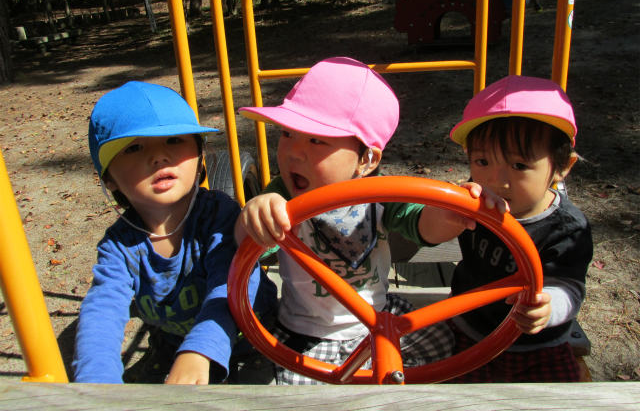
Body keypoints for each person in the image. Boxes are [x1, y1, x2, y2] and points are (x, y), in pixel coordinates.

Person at [234, 57, 505, 385]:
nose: (293, 152)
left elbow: (424, 226)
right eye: (287, 133)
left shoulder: (380, 194)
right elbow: (247, 243)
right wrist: (257, 213)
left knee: (443, 343)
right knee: (303, 391)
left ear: (367, 160)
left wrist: (452, 215)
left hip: (378, 319)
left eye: (316, 140)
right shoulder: (282, 196)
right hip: (306, 332)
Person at [73, 81, 277, 384]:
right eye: (134, 147)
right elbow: (102, 311)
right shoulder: (119, 246)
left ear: (199, 154)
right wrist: (95, 380)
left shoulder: (218, 216)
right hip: (174, 345)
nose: (158, 156)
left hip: (254, 337)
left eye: (173, 140)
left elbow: (231, 285)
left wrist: (199, 350)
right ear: (109, 178)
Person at [447, 75, 593, 382]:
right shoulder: (475, 201)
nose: (496, 181)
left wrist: (549, 308)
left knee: (563, 397)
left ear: (562, 167)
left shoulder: (566, 227)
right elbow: (432, 229)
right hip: (469, 330)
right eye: (482, 161)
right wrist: (451, 211)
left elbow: (570, 286)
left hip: (537, 344)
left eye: (519, 166)